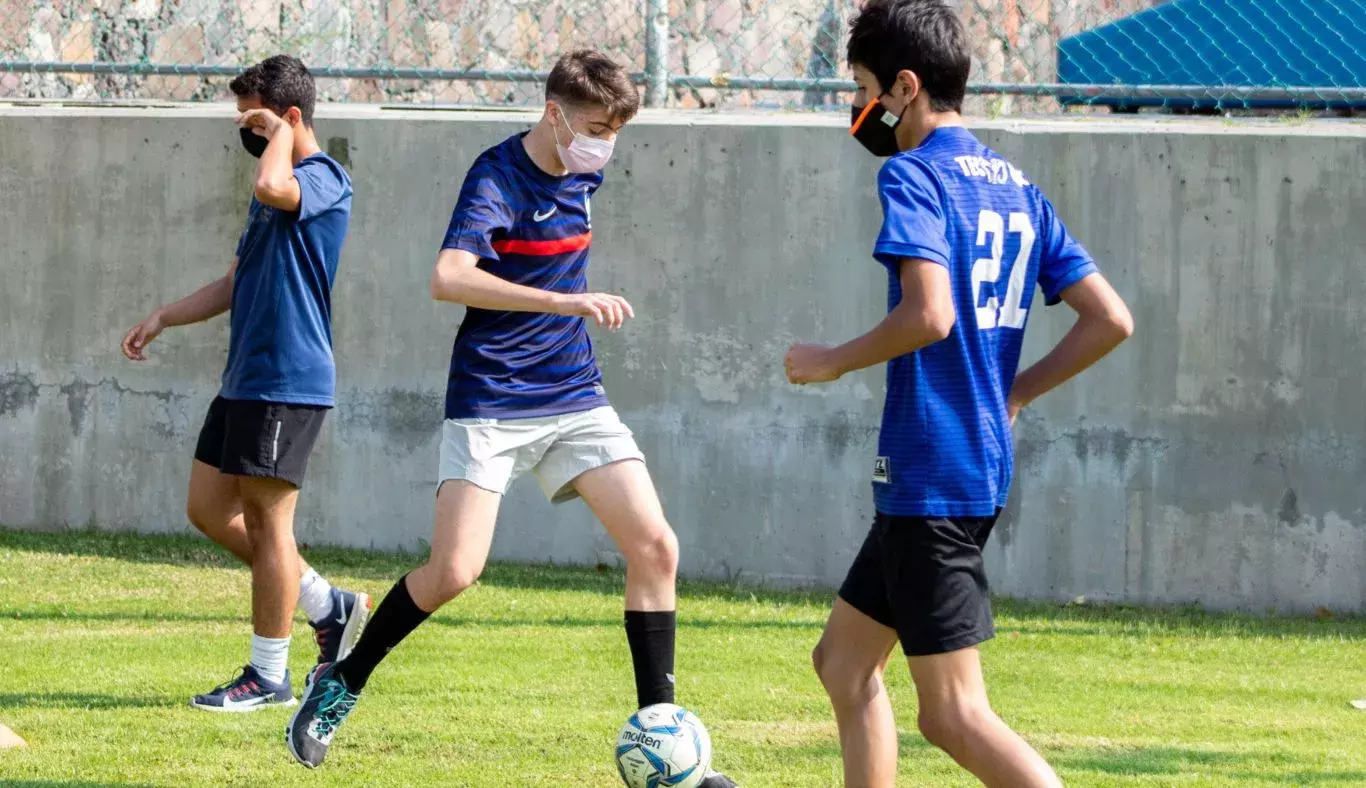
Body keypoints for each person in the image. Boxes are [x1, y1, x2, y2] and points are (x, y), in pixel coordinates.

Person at [284, 50, 736, 786]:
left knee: (655, 547)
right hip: (493, 398)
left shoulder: (584, 168)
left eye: (616, 130)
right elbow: (448, 277)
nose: (605, 144)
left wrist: (569, 313)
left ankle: (664, 742)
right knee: (455, 571)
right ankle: (342, 681)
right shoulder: (496, 176)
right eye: (595, 127)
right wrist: (567, 302)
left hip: (574, 392)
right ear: (553, 114)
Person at [784, 2, 1134, 785]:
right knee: (843, 665)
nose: (859, 108)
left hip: (931, 473)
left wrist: (832, 361)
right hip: (961, 465)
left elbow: (930, 315)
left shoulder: (911, 173)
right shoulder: (1015, 185)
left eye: (867, 88)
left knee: (952, 714)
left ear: (906, 87)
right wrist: (1012, 395)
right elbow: (1110, 319)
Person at [120, 55, 367, 712]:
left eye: (250, 118)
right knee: (208, 507)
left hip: (289, 380)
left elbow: (270, 188)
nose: (244, 131)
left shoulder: (322, 178)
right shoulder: (272, 185)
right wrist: (164, 317)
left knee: (267, 522)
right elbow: (235, 281)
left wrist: (280, 131)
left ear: (287, 117)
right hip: (246, 379)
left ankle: (269, 676)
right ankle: (325, 603)